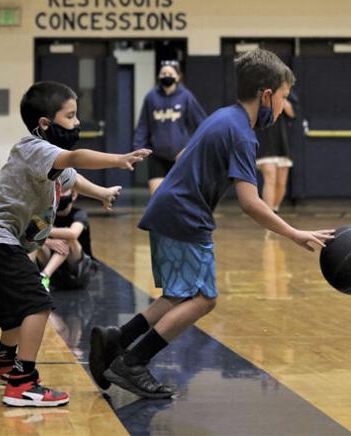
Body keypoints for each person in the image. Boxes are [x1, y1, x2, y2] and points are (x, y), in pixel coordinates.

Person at [89, 49, 333, 398]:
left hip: (168, 209)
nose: (283, 107)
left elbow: (182, 155)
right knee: (204, 299)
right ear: (266, 95)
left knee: (179, 294)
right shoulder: (242, 134)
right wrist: (293, 233)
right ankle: (133, 362)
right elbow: (250, 202)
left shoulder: (223, 116)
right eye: (283, 98)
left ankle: (117, 339)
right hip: (185, 216)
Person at [0, 81, 151, 407]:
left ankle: (1, 364)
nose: (77, 122)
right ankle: (22, 383)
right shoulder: (35, 149)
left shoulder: (49, 160)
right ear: (45, 123)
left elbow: (72, 177)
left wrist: (102, 193)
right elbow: (77, 157)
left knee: (15, 311)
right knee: (37, 304)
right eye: (70, 116)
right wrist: (117, 159)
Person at [134, 60, 207, 194]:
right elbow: (143, 125)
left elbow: (202, 123)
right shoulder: (151, 97)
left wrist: (197, 147)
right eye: (163, 74)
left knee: (180, 195)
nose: (166, 76)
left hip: (181, 156)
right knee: (157, 196)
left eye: (170, 74)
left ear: (178, 77)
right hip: (157, 155)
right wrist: (138, 146)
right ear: (159, 76)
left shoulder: (186, 96)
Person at [34, 187, 95, 291]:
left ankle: (44, 275)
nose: (60, 194)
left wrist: (44, 231)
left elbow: (73, 234)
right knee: (35, 242)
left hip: (78, 272)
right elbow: (29, 233)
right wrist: (47, 242)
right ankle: (37, 278)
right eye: (57, 191)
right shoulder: (45, 214)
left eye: (64, 191)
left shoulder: (79, 213)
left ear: (74, 195)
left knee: (67, 237)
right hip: (54, 271)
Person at [256, 90, 296, 212]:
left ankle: (274, 210)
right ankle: (267, 215)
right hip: (264, 141)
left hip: (281, 143)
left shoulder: (286, 93)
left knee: (281, 184)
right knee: (270, 178)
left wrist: (280, 98)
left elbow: (292, 113)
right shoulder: (259, 92)